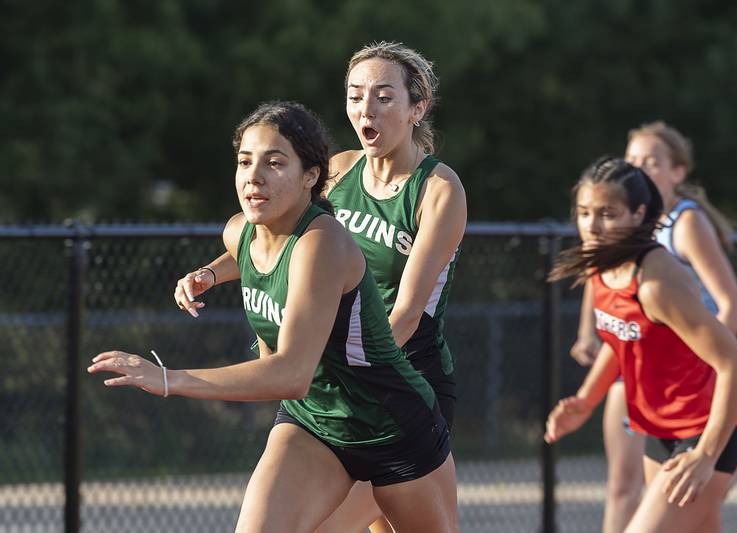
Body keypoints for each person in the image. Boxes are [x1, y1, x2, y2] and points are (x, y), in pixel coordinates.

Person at [88, 101, 459, 533]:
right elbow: (252, 264)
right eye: (245, 161)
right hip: (314, 421)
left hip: (393, 425)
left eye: (275, 162)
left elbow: (290, 374)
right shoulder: (238, 232)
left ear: (311, 177)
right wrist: (208, 273)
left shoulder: (322, 245)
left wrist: (169, 379)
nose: (254, 176)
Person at [174, 42, 467, 533]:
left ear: (418, 108)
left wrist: (333, 365)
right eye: (355, 95)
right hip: (327, 387)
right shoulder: (340, 168)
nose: (365, 109)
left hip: (397, 386)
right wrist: (213, 271)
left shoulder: (438, 190)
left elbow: (409, 311)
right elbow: (277, 238)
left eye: (383, 96)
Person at [569, 121, 737, 533]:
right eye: (633, 159)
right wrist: (583, 399)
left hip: (697, 414)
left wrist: (698, 362)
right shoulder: (607, 263)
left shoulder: (668, 251)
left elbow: (733, 327)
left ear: (677, 172)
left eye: (651, 161)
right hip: (655, 411)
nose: (593, 225)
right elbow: (618, 336)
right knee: (624, 485)